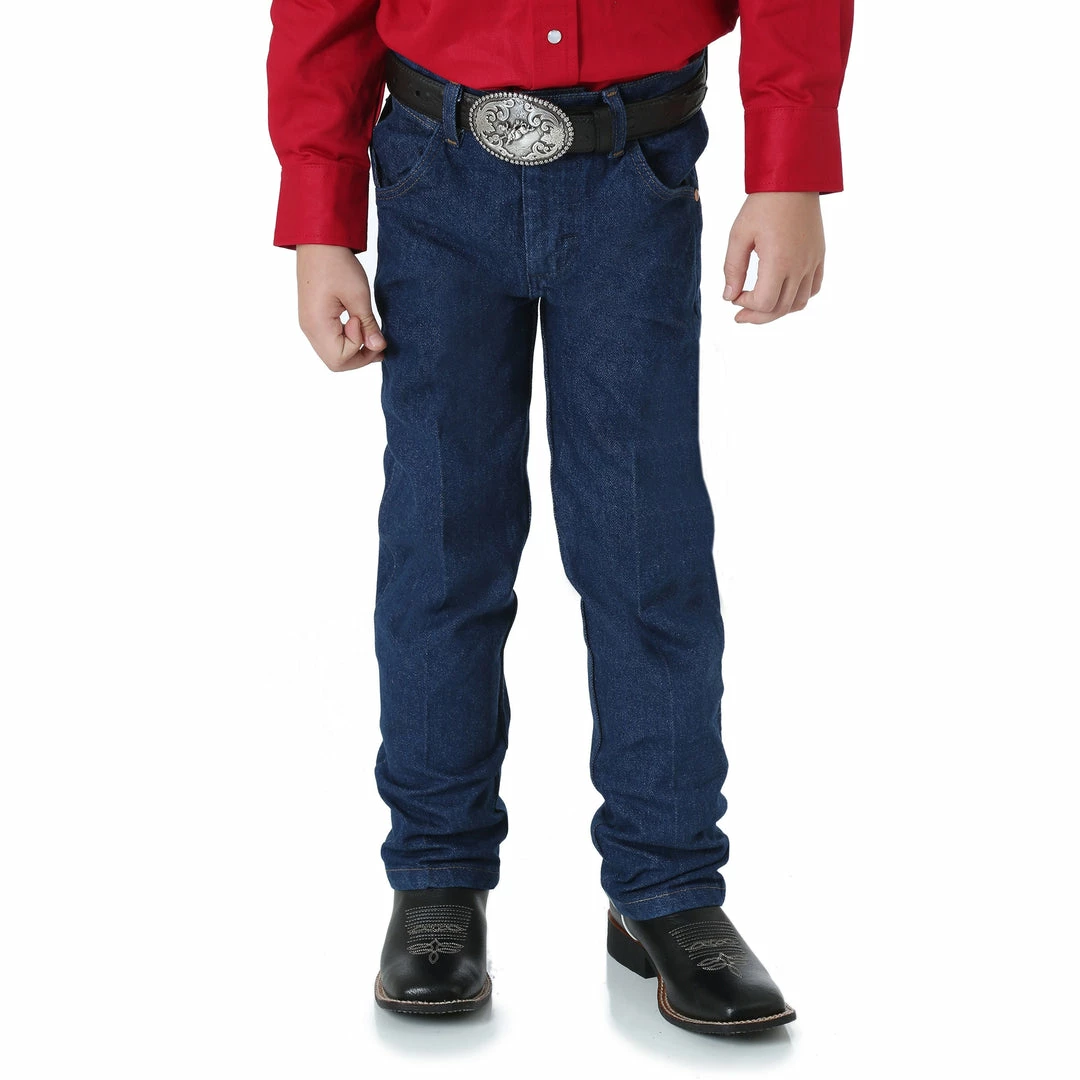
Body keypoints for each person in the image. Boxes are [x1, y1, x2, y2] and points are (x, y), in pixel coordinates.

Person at [266, 1, 853, 1035]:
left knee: (646, 546)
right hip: (435, 168)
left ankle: (666, 884)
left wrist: (789, 167)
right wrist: (320, 218)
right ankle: (437, 878)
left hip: (636, 169)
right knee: (441, 543)